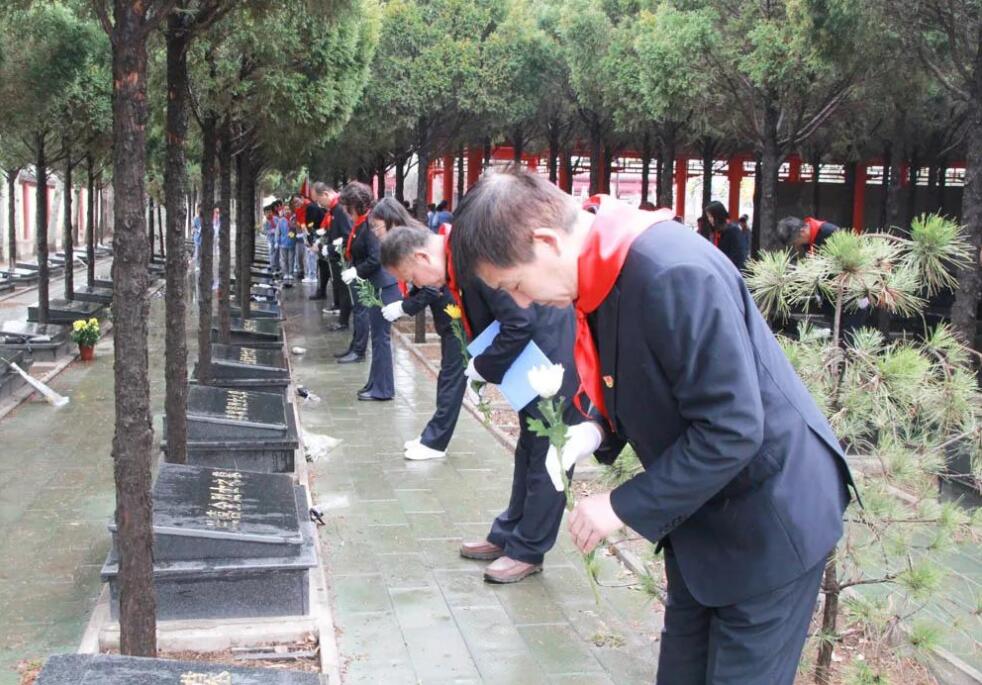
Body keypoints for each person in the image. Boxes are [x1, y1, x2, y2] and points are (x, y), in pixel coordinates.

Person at [448, 168, 857, 682]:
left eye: (515, 286)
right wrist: (595, 428)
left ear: (546, 241)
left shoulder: (671, 272)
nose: (524, 303)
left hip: (769, 518)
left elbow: (731, 428)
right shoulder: (604, 271)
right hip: (703, 519)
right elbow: (638, 373)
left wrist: (621, 504)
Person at [380, 221, 590, 584]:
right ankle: (508, 534)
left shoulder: (475, 260)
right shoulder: (460, 258)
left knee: (549, 458)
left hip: (552, 357)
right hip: (533, 360)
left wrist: (483, 365)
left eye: (411, 277)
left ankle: (528, 550)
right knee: (528, 451)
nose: (417, 285)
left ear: (422, 256)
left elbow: (519, 323)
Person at [372, 198, 466, 460]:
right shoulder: (409, 243)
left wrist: (405, 306)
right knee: (448, 378)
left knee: (451, 379)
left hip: (455, 315)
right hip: (448, 316)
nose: (376, 233)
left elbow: (432, 286)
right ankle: (432, 436)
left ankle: (436, 441)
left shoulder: (419, 243)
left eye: (377, 226)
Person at [336, 183, 399, 400]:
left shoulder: (370, 223)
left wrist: (356, 271)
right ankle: (375, 384)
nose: (346, 211)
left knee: (381, 340)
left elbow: (375, 258)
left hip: (382, 285)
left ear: (355, 204)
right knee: (378, 339)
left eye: (347, 206)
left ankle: (383, 389)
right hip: (377, 285)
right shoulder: (365, 222)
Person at [704, 200, 747, 271]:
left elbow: (738, 257)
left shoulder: (733, 231)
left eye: (710, 216)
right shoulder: (718, 232)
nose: (709, 219)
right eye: (708, 217)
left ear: (717, 216)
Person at [776, 215, 840, 254]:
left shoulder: (831, 232)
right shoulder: (806, 242)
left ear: (802, 232)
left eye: (794, 243)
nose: (796, 246)